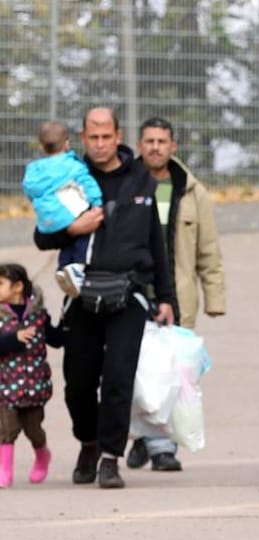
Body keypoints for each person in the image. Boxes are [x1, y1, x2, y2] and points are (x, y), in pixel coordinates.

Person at [33, 107, 177, 491]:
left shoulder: (143, 179)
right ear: (82, 137)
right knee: (78, 384)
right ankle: (89, 443)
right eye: (92, 137)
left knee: (118, 378)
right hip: (81, 292)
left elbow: (156, 242)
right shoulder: (66, 175)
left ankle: (111, 458)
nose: (99, 144)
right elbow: (42, 236)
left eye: (106, 136)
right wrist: (72, 229)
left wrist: (166, 297)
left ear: (118, 136)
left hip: (129, 291)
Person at [126, 117, 227, 474]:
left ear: (173, 147)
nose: (155, 147)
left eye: (162, 141)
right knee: (135, 371)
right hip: (133, 291)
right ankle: (142, 437)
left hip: (177, 295)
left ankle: (163, 447)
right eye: (149, 141)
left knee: (173, 373)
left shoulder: (191, 191)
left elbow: (207, 247)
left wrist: (215, 296)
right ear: (139, 145)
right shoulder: (127, 183)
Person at [0, 264, 62, 487]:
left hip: (34, 384)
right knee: (6, 430)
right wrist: (13, 340)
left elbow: (55, 339)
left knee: (34, 430)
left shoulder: (38, 315)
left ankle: (42, 454)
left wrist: (65, 324)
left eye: (1, 284)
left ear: (17, 287)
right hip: (5, 386)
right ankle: (4, 471)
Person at [22, 121, 99, 297]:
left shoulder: (34, 169)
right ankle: (78, 266)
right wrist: (97, 201)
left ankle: (63, 268)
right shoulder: (72, 164)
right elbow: (87, 183)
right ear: (67, 143)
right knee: (85, 235)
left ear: (41, 146)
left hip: (47, 220)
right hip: (71, 213)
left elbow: (29, 188)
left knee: (66, 243)